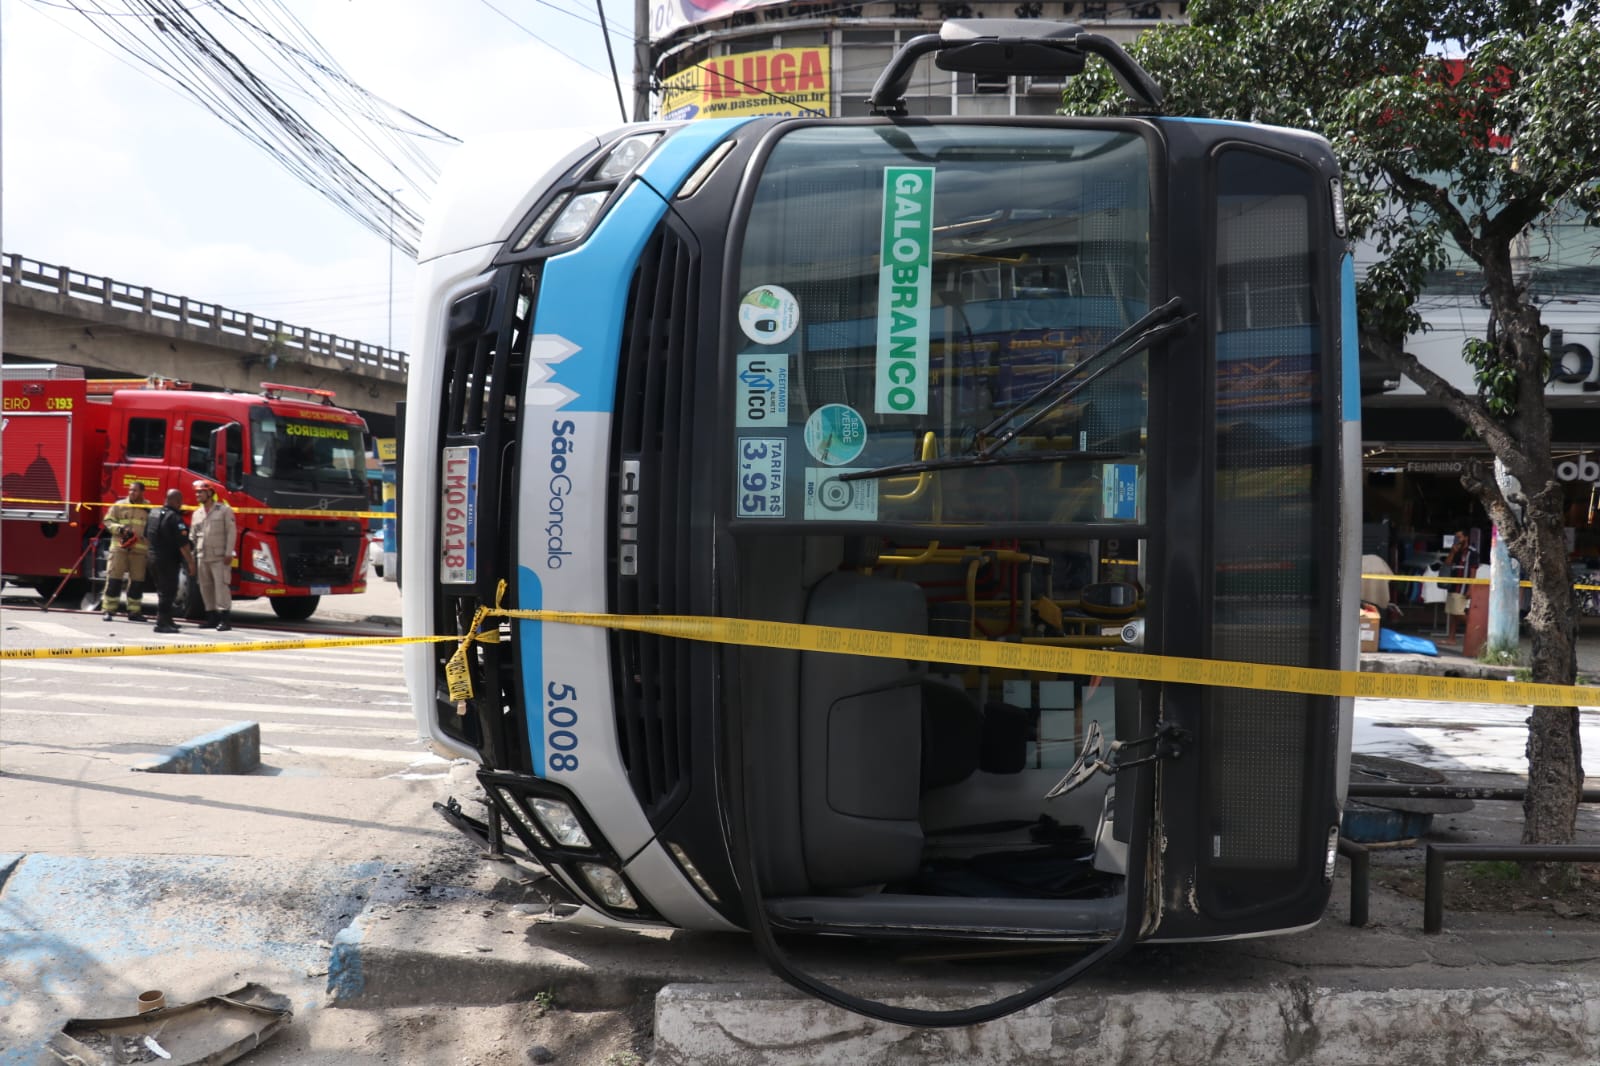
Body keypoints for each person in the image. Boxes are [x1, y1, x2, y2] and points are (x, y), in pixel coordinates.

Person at [189, 479, 238, 631]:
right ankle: (211, 617)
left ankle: (225, 619)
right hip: (202, 556)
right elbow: (193, 535)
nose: (198, 495)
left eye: (201, 492)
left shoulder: (223, 510)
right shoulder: (197, 513)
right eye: (196, 492)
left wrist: (229, 552)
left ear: (210, 493)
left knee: (221, 587)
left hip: (219, 556)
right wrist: (191, 555)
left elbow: (231, 532)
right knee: (205, 587)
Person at [144, 489, 194, 635]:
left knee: (162, 591)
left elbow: (146, 536)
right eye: (180, 502)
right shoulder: (175, 518)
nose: (181, 505)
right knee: (169, 592)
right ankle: (161, 623)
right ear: (176, 501)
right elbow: (183, 544)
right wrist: (190, 563)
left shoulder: (153, 513)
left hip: (153, 557)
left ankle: (167, 619)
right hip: (167, 560)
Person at [100, 479, 151, 621]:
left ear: (142, 492)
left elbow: (151, 528)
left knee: (137, 582)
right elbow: (108, 521)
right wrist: (120, 529)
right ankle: (109, 610)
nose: (131, 493)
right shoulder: (119, 506)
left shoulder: (149, 508)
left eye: (135, 490)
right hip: (119, 549)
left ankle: (134, 611)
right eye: (130, 490)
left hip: (139, 551)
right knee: (114, 579)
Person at [1442, 528, 1474, 643]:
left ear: (1466, 538)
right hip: (1452, 585)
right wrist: (1452, 552)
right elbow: (1447, 564)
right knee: (1452, 613)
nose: (1458, 540)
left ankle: (1476, 629)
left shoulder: (1472, 552)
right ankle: (1451, 638)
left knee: (1458, 612)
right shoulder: (1455, 551)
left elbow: (1473, 571)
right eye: (1456, 537)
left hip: (1463, 586)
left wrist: (1471, 588)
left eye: (1459, 537)